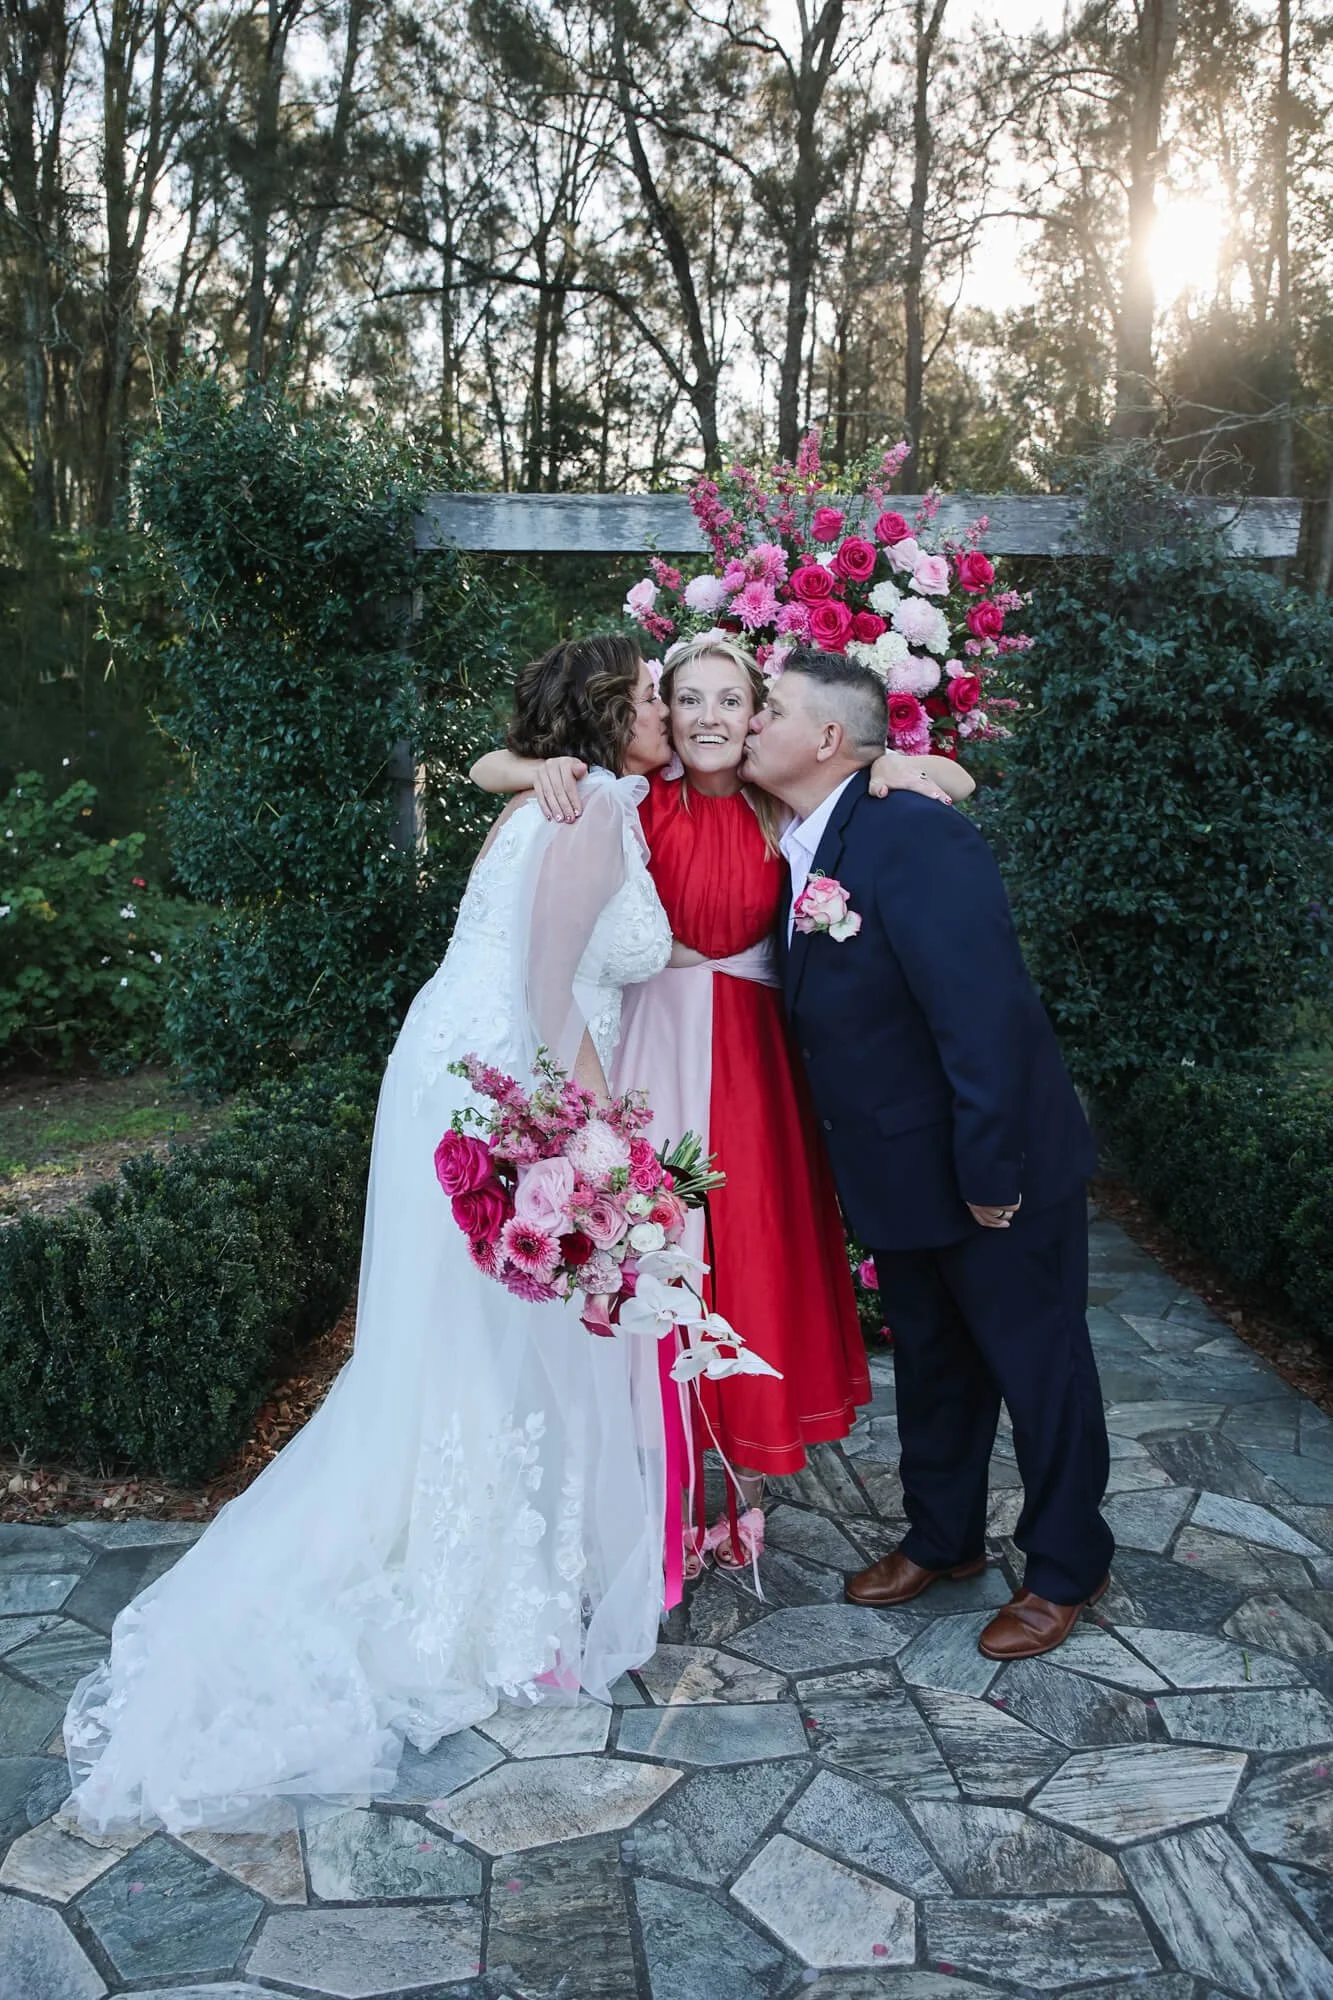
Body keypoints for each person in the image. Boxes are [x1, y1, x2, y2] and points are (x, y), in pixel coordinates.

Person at [64, 635, 677, 1834]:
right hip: (503, 1080)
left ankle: (474, 1534)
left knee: (454, 1340)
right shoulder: (593, 801)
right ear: (609, 713)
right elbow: (553, 994)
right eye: (651, 694)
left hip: (460, 1066)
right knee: (495, 1335)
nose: (662, 709)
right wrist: (594, 1140)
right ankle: (479, 1577)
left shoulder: (568, 797)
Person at [471, 634, 974, 1579]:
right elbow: (488, 766)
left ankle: (731, 1490)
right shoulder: (630, 797)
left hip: (755, 1062)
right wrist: (539, 766)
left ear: (756, 720)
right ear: (658, 714)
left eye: (729, 701)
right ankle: (649, 1485)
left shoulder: (772, 803)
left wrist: (898, 758)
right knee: (659, 1255)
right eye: (685, 698)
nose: (705, 717)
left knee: (746, 1253)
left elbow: (955, 778)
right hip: (647, 1052)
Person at [743, 646, 1114, 1661]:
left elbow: (982, 1011)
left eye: (767, 707)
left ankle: (1065, 1563)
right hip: (898, 1167)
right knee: (937, 1365)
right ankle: (943, 1536)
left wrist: (994, 1172)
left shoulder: (912, 833)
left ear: (826, 738)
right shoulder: (804, 836)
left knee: (1040, 1369)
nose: (749, 720)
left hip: (992, 1164)